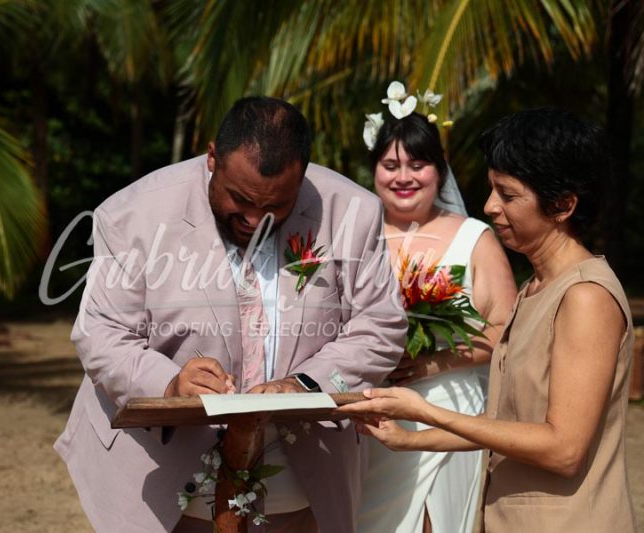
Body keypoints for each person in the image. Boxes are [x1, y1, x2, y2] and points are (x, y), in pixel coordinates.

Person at [54, 96, 407, 532]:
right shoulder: (131, 214)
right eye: (240, 199)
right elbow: (102, 333)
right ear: (212, 158)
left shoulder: (352, 212)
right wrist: (169, 383)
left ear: (302, 176)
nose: (254, 219)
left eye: (276, 206)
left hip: (301, 479)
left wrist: (306, 385)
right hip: (164, 479)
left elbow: (381, 324)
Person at [341, 108, 637, 532]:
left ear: (563, 205)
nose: (490, 207)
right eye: (491, 190)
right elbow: (507, 424)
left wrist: (428, 412)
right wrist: (411, 439)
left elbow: (563, 449)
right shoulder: (536, 289)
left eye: (508, 195)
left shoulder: (585, 297)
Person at [356, 111, 517, 533]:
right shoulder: (353, 237)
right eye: (391, 166)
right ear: (374, 170)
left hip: (448, 410)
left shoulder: (475, 238)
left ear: (439, 171)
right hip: (371, 415)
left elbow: (507, 330)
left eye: (417, 164)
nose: (403, 177)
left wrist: (435, 362)